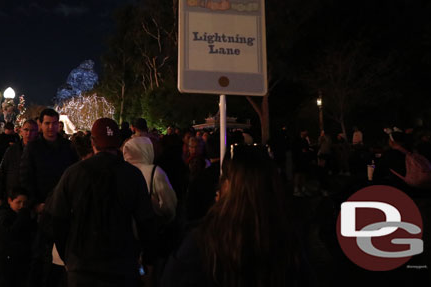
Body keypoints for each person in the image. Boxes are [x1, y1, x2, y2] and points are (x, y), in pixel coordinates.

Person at [162, 150, 310, 287]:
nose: (218, 188)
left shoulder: (203, 242)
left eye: (224, 179)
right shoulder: (288, 238)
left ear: (233, 189)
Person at [45, 118, 157, 286]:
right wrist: (148, 259)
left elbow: (57, 218)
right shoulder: (132, 175)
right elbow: (146, 221)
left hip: (82, 263)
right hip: (121, 263)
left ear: (93, 142)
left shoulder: (74, 173)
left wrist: (67, 256)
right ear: (118, 143)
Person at [21, 108, 78, 285]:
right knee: (38, 254)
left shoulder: (68, 147)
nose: (51, 127)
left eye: (54, 123)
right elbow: (26, 177)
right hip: (40, 209)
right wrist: (34, 204)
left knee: (60, 256)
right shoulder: (33, 148)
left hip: (62, 209)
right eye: (47, 123)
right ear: (40, 124)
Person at [0, 187, 36, 287]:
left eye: (24, 203)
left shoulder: (23, 214)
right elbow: (10, 234)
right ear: (10, 200)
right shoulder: (4, 215)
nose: (21, 206)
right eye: (18, 202)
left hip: (20, 258)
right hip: (7, 260)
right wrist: (23, 215)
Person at [0, 119, 38, 207]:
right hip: (12, 196)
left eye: (32, 131)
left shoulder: (40, 151)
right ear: (21, 130)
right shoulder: (12, 150)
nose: (28, 133)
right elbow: (2, 172)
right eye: (26, 130)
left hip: (31, 199)